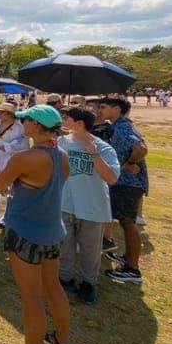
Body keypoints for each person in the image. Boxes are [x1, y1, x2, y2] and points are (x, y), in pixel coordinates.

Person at [0, 105, 75, 344]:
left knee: (31, 298)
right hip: (52, 232)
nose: (22, 122)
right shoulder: (61, 156)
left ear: (36, 126)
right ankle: (62, 342)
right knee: (53, 287)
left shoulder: (25, 158)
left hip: (26, 233)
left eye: (25, 119)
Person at [57, 107, 120, 305]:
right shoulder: (62, 143)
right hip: (66, 204)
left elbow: (111, 178)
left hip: (92, 208)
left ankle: (88, 283)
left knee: (90, 249)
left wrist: (93, 154)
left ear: (79, 124)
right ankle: (64, 278)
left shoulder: (103, 148)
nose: (63, 120)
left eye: (67, 118)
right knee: (64, 245)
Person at [98, 97, 149, 284]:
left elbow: (141, 148)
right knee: (126, 221)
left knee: (128, 223)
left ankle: (132, 269)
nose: (100, 110)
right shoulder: (118, 125)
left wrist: (131, 163)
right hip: (124, 182)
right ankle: (128, 258)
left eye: (103, 107)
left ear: (116, 108)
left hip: (128, 183)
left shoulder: (123, 127)